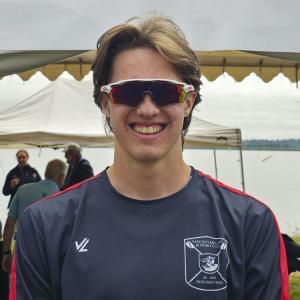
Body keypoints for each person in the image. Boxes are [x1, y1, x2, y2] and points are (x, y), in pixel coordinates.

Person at [12, 14, 289, 300]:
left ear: (188, 102)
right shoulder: (44, 226)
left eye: (165, 91)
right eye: (128, 92)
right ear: (106, 103)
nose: (147, 108)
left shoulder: (250, 224)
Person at [1, 159, 66, 274]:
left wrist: (6, 252)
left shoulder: (23, 189)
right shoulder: (63, 198)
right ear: (62, 177)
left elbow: (9, 224)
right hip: (48, 259)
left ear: (46, 172)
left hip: (22, 253)